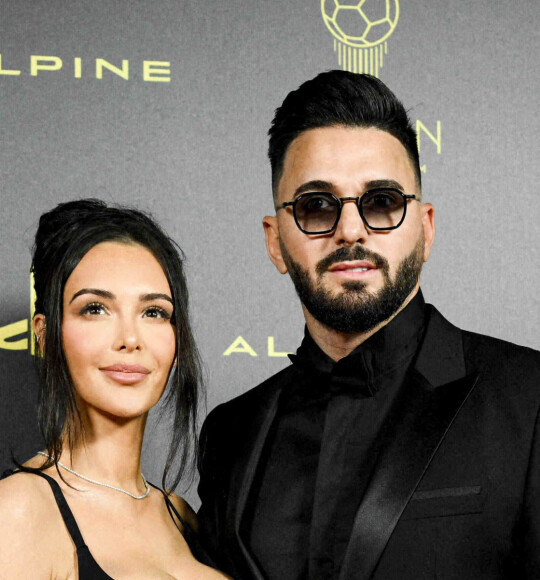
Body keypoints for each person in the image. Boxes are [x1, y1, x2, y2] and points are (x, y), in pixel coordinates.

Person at [196, 70, 540, 580]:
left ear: (425, 230)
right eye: (316, 207)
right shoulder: (231, 432)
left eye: (382, 202)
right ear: (275, 242)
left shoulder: (529, 399)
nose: (351, 229)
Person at [0, 199, 230, 579]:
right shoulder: (17, 512)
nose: (130, 338)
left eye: (154, 312)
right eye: (95, 308)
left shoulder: (181, 516)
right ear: (45, 335)